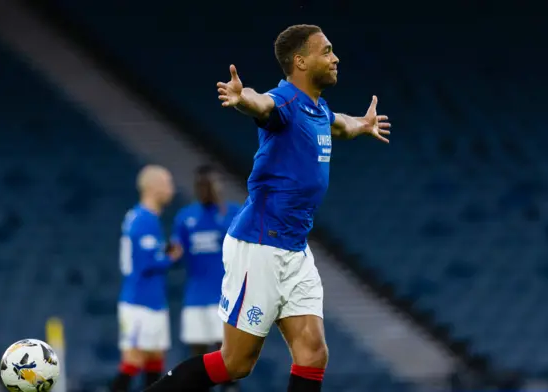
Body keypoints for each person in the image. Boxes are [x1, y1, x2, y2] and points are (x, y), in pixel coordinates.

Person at [144, 24, 390, 392]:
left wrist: (363, 124)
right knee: (235, 363)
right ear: (300, 61)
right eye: (326, 51)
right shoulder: (286, 102)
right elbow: (262, 104)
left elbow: (340, 126)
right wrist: (243, 99)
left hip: (295, 249)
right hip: (260, 246)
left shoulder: (317, 109)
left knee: (313, 353)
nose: (335, 58)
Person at [112, 165, 183, 392]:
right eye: (168, 183)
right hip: (139, 302)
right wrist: (172, 257)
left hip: (151, 300)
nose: (172, 189)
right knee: (134, 359)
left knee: (155, 357)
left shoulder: (142, 217)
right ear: (154, 187)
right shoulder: (144, 220)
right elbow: (146, 264)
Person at [171, 165, 241, 391]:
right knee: (197, 362)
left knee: (227, 360)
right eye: (202, 185)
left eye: (211, 184)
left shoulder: (234, 214)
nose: (207, 189)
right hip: (195, 299)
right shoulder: (185, 218)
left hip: (224, 299)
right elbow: (175, 255)